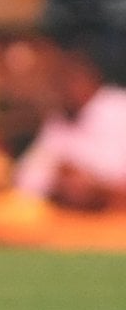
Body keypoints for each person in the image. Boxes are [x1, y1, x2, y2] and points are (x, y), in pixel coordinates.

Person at [14, 32, 126, 209]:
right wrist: (58, 176)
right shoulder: (58, 120)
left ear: (90, 77)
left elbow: (116, 175)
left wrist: (93, 183)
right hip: (73, 224)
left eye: (69, 78)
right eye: (58, 80)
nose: (62, 88)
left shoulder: (119, 107)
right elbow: (25, 178)